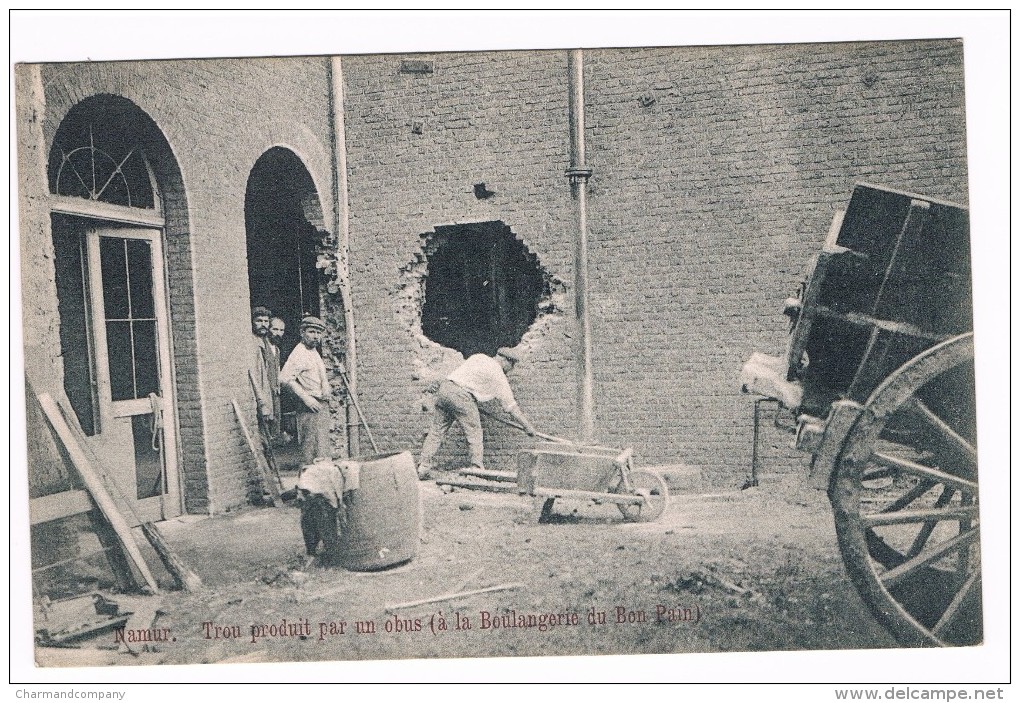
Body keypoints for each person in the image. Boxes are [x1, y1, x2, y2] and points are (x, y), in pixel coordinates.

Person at [417, 347, 537, 480]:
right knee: (474, 433)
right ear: (505, 361)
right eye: (512, 364)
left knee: (436, 432)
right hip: (462, 396)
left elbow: (464, 378)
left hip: (445, 389)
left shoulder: (479, 357)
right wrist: (527, 426)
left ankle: (423, 468)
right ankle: (476, 471)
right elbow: (511, 406)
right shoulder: (497, 373)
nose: (511, 369)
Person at [281, 316, 333, 465]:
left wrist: (325, 386)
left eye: (319, 333)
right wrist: (306, 398)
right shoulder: (299, 353)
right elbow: (285, 378)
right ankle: (307, 485)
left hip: (320, 405)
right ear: (302, 333)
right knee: (311, 449)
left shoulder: (313, 351)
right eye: (311, 332)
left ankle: (321, 484)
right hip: (309, 407)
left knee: (321, 448)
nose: (316, 336)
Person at [248, 306, 277, 435]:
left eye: (266, 321)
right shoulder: (251, 343)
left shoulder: (264, 342)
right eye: (259, 321)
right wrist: (262, 403)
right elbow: (254, 375)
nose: (263, 325)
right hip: (256, 398)